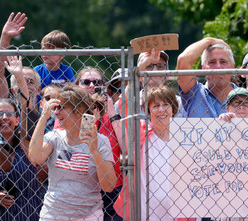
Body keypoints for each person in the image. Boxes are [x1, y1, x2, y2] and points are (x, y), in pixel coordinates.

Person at [28, 85, 116, 221]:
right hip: (52, 215)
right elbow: (35, 158)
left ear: (79, 111)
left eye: (61, 107)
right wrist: (43, 118)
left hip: (89, 216)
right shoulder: (55, 137)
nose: (55, 113)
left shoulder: (101, 141)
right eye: (55, 108)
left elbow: (109, 186)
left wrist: (94, 151)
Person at [0, 56, 43, 221]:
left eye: (9, 114)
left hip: (28, 213)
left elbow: (24, 105)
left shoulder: (25, 142)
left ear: (18, 120)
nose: (4, 118)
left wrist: (19, 78)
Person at [115, 85, 179, 220]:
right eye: (155, 106)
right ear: (148, 111)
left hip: (179, 213)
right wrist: (139, 73)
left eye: (166, 104)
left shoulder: (185, 138)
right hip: (145, 214)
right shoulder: (141, 133)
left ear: (173, 109)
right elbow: (125, 104)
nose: (161, 109)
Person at [75, 67, 123, 221]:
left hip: (112, 186)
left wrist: (109, 110)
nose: (91, 86)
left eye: (97, 83)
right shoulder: (68, 113)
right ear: (77, 86)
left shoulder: (112, 113)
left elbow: (126, 147)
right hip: (82, 187)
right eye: (86, 82)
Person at [177, 37, 236, 118]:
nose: (218, 66)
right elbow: (183, 60)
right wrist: (209, 40)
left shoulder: (244, 97)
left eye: (223, 62)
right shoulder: (194, 94)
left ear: (232, 67)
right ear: (203, 68)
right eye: (212, 62)